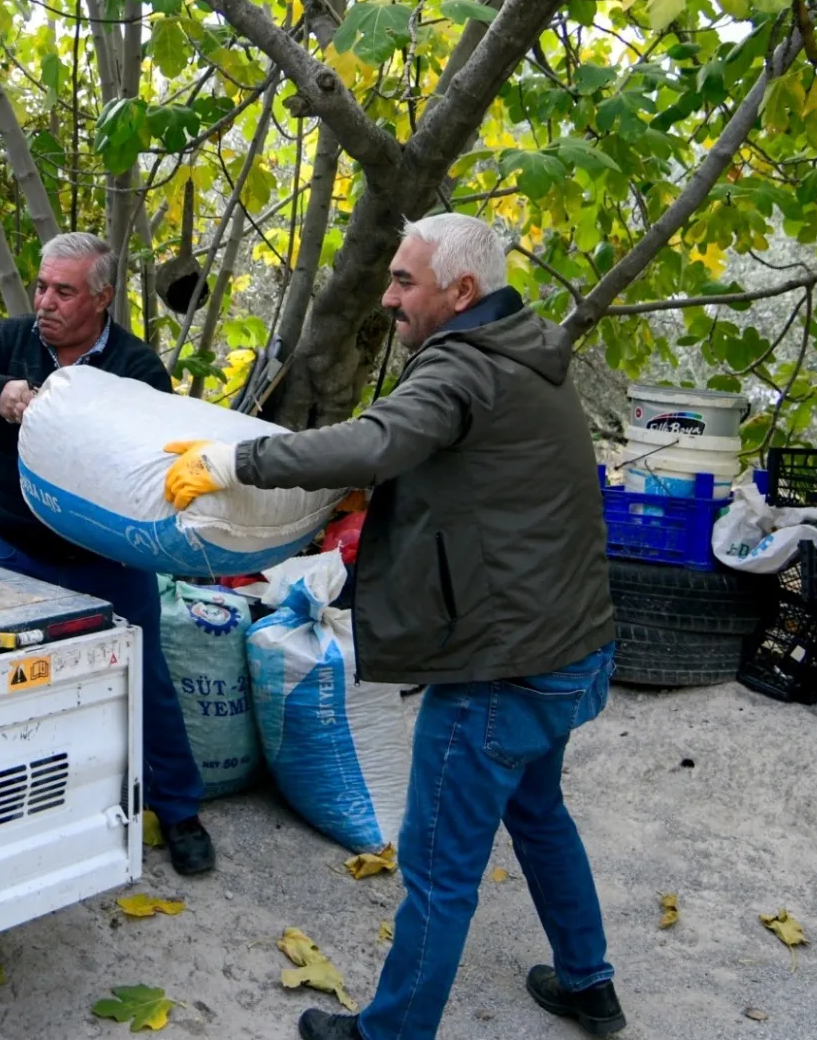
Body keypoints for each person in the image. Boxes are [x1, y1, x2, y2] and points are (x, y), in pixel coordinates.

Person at [162, 213, 622, 1039]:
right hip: (568, 644)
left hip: (500, 670)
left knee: (439, 867)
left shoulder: (460, 370)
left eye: (405, 280)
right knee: (540, 810)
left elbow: (376, 442)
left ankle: (388, 1034)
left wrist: (236, 462)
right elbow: (470, 475)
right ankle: (589, 980)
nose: (388, 295)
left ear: (462, 291)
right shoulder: (529, 350)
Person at [0, 231, 215, 876]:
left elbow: (152, 461)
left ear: (102, 297)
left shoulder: (137, 369)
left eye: (64, 290)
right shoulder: (14, 342)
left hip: (109, 565)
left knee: (145, 685)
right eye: (41, 287)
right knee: (1, 681)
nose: (46, 302)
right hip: (18, 554)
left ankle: (179, 810)